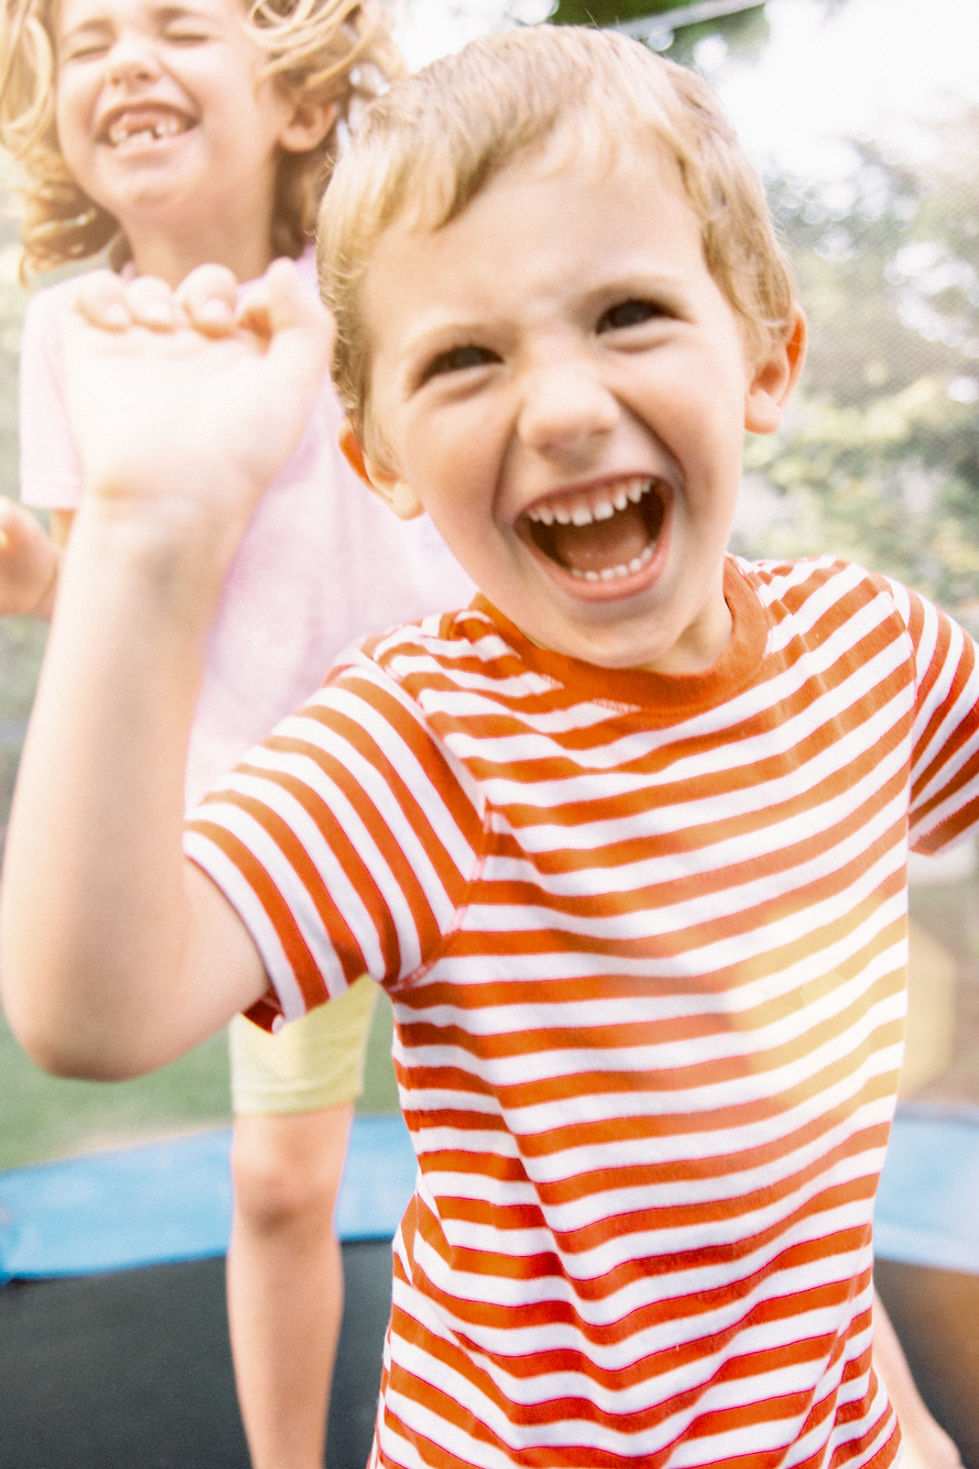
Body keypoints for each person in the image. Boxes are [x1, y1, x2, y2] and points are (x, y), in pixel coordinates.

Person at [1, 23, 972, 1469]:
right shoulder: (419, 749)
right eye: (464, 358)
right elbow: (93, 1012)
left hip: (825, 1431)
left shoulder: (878, 655)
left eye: (631, 314)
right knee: (283, 1178)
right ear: (379, 451)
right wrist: (151, 531)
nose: (568, 409)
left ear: (767, 358)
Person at [0, 0, 472, 1465]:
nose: (125, 57)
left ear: (301, 101)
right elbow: (125, 597)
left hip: (462, 778)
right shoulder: (71, 331)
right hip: (274, 821)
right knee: (277, 1181)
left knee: (550, 1125)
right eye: (88, 42)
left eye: (177, 25)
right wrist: (43, 583)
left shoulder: (368, 284)